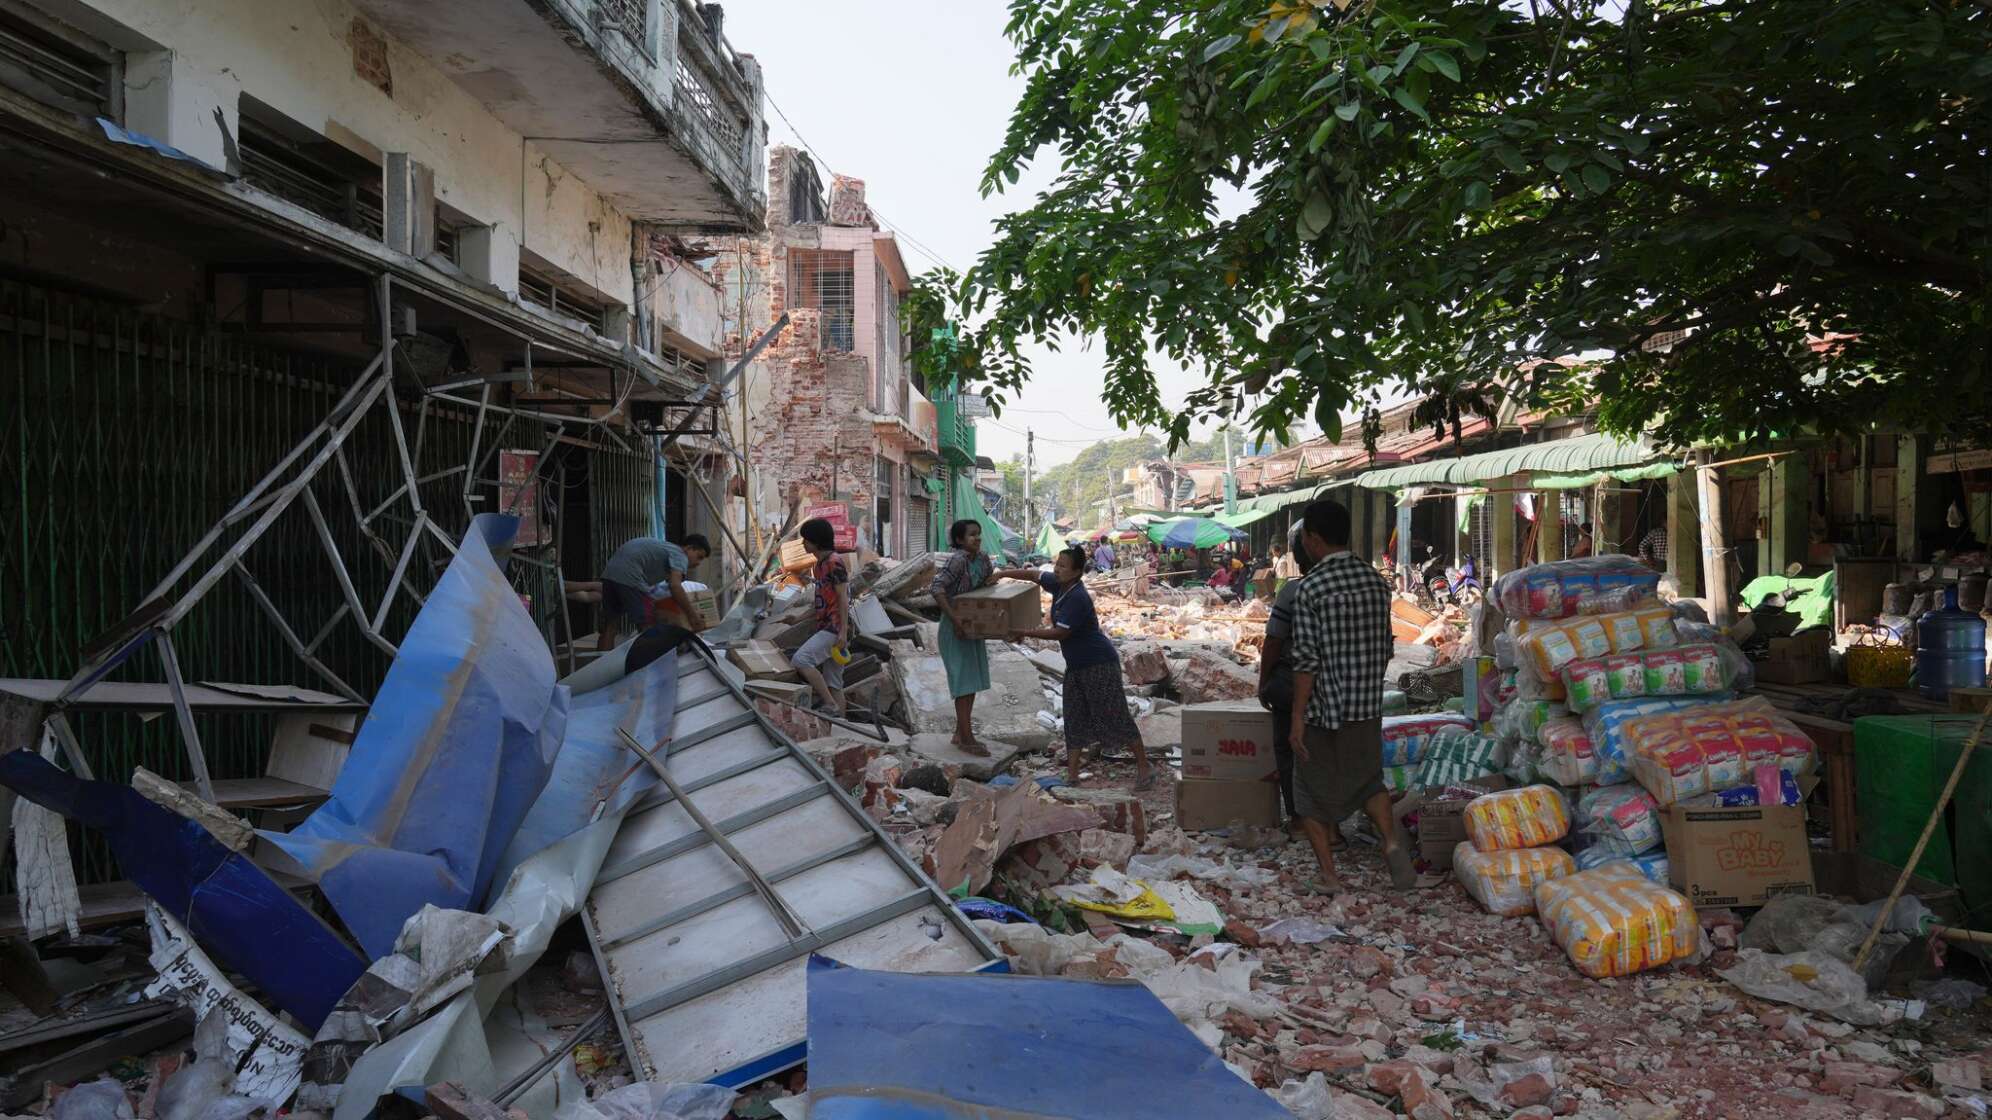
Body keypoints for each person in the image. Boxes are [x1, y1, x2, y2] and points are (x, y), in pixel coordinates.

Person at [1287, 499, 1415, 895]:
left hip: (1324, 708)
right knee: (1368, 782)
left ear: (1312, 539)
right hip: (1366, 704)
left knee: (1308, 790)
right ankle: (1392, 842)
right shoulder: (1376, 583)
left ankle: (1329, 875)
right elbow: (1386, 646)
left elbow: (1306, 661)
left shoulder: (1310, 588)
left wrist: (1296, 718)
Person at [1001, 548, 1153, 789]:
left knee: (1115, 715)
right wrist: (1002, 574)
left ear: (1077, 572)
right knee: (1074, 717)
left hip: (1098, 663)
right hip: (1076, 666)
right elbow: (1034, 575)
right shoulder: (1060, 585)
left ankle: (1144, 768)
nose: (1057, 569)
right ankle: (1071, 776)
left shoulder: (1077, 597)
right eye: (1057, 564)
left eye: (1063, 566)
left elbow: (1060, 632)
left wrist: (1023, 631)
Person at [1258, 527, 1315, 826]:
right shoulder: (1362, 586)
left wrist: (1263, 682)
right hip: (1338, 689)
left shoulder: (1293, 591)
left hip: (1293, 687)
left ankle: (1299, 818)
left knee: (1288, 749)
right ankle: (1327, 820)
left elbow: (1273, 641)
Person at [929, 519, 998, 755]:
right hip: (954, 628)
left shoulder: (983, 558)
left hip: (973, 626)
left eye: (978, 534)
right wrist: (957, 620)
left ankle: (960, 734)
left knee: (972, 683)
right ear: (959, 540)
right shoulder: (957, 560)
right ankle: (968, 739)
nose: (977, 538)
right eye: (971, 535)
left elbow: (988, 584)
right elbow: (937, 589)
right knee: (963, 684)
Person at [597, 534, 712, 650]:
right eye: (699, 557)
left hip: (610, 574)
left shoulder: (667, 550)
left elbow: (666, 589)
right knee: (648, 626)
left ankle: (599, 665)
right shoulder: (680, 555)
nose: (698, 563)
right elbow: (675, 586)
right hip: (631, 577)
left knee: (610, 627)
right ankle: (648, 665)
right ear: (689, 548)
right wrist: (693, 616)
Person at [789, 519, 849, 716]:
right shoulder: (819, 565)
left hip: (834, 630)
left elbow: (843, 598)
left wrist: (842, 632)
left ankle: (830, 704)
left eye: (806, 540)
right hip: (828, 627)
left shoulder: (834, 562)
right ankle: (843, 728)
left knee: (801, 660)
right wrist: (796, 620)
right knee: (834, 683)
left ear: (816, 541)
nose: (803, 544)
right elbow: (821, 602)